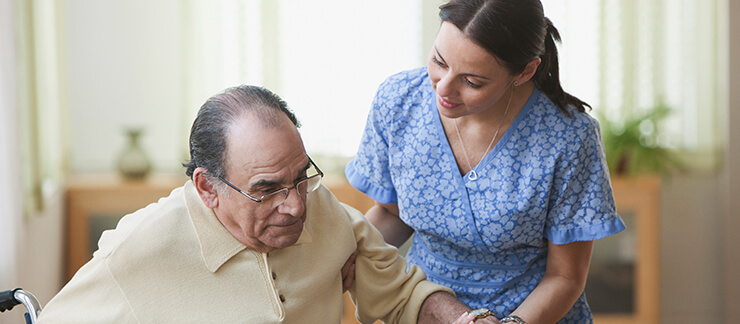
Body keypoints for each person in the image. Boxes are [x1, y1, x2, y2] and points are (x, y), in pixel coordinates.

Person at [37, 85, 489, 323]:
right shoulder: (142, 246)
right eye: (267, 188)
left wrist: (468, 322)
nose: (294, 206)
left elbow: (404, 297)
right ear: (207, 187)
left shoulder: (321, 207)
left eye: (300, 178)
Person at [344, 0, 626, 323]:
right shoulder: (398, 102)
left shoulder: (569, 138)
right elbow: (392, 214)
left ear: (524, 71)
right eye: (439, 60)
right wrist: (348, 253)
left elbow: (565, 277)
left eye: (472, 82)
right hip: (427, 307)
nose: (444, 88)